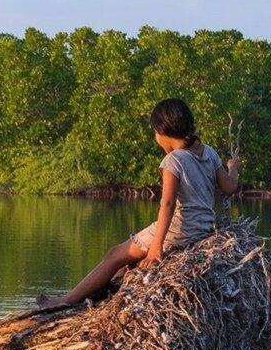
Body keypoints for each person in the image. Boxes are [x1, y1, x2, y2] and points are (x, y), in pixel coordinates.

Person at [37, 98, 241, 309]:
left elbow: (168, 204)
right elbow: (229, 187)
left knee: (115, 254)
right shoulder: (209, 152)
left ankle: (64, 302)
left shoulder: (173, 161)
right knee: (126, 264)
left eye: (155, 133)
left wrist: (156, 247)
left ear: (164, 132)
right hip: (203, 229)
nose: (156, 138)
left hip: (180, 230)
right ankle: (98, 298)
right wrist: (233, 167)